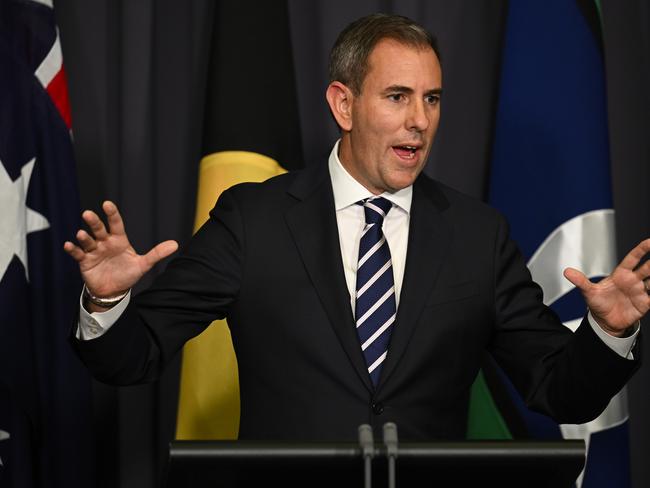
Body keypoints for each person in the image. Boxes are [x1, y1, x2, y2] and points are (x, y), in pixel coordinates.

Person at [64, 14, 647, 443]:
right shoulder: (254, 219)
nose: (419, 122)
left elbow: (559, 391)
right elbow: (131, 359)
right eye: (397, 97)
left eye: (432, 99)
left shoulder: (477, 234)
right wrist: (108, 300)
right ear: (343, 106)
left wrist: (608, 333)